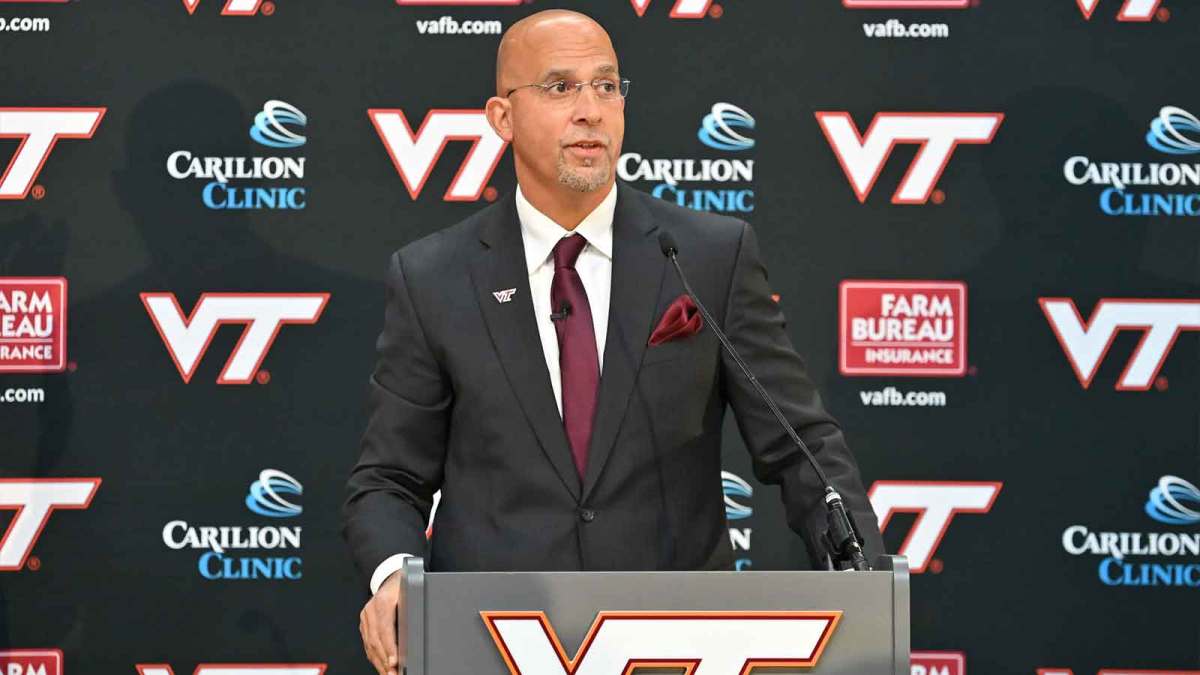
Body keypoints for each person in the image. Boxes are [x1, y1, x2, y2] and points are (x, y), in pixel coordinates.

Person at [342, 9, 884, 675]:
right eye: (560, 87)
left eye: (606, 87)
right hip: (494, 645)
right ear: (501, 118)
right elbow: (389, 478)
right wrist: (396, 578)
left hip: (675, 647)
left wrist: (864, 586)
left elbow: (803, 447)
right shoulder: (433, 277)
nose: (590, 111)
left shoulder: (707, 257)